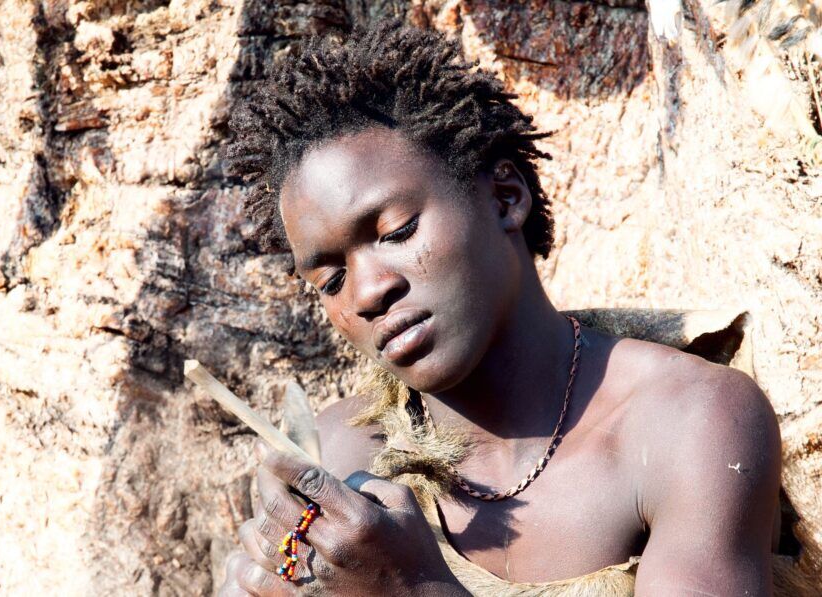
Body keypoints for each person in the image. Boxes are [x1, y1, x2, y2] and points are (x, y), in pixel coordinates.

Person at [219, 20, 782, 596]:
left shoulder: (685, 422)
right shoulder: (338, 455)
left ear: (505, 197)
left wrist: (413, 587)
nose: (366, 292)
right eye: (331, 279)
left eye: (397, 230)